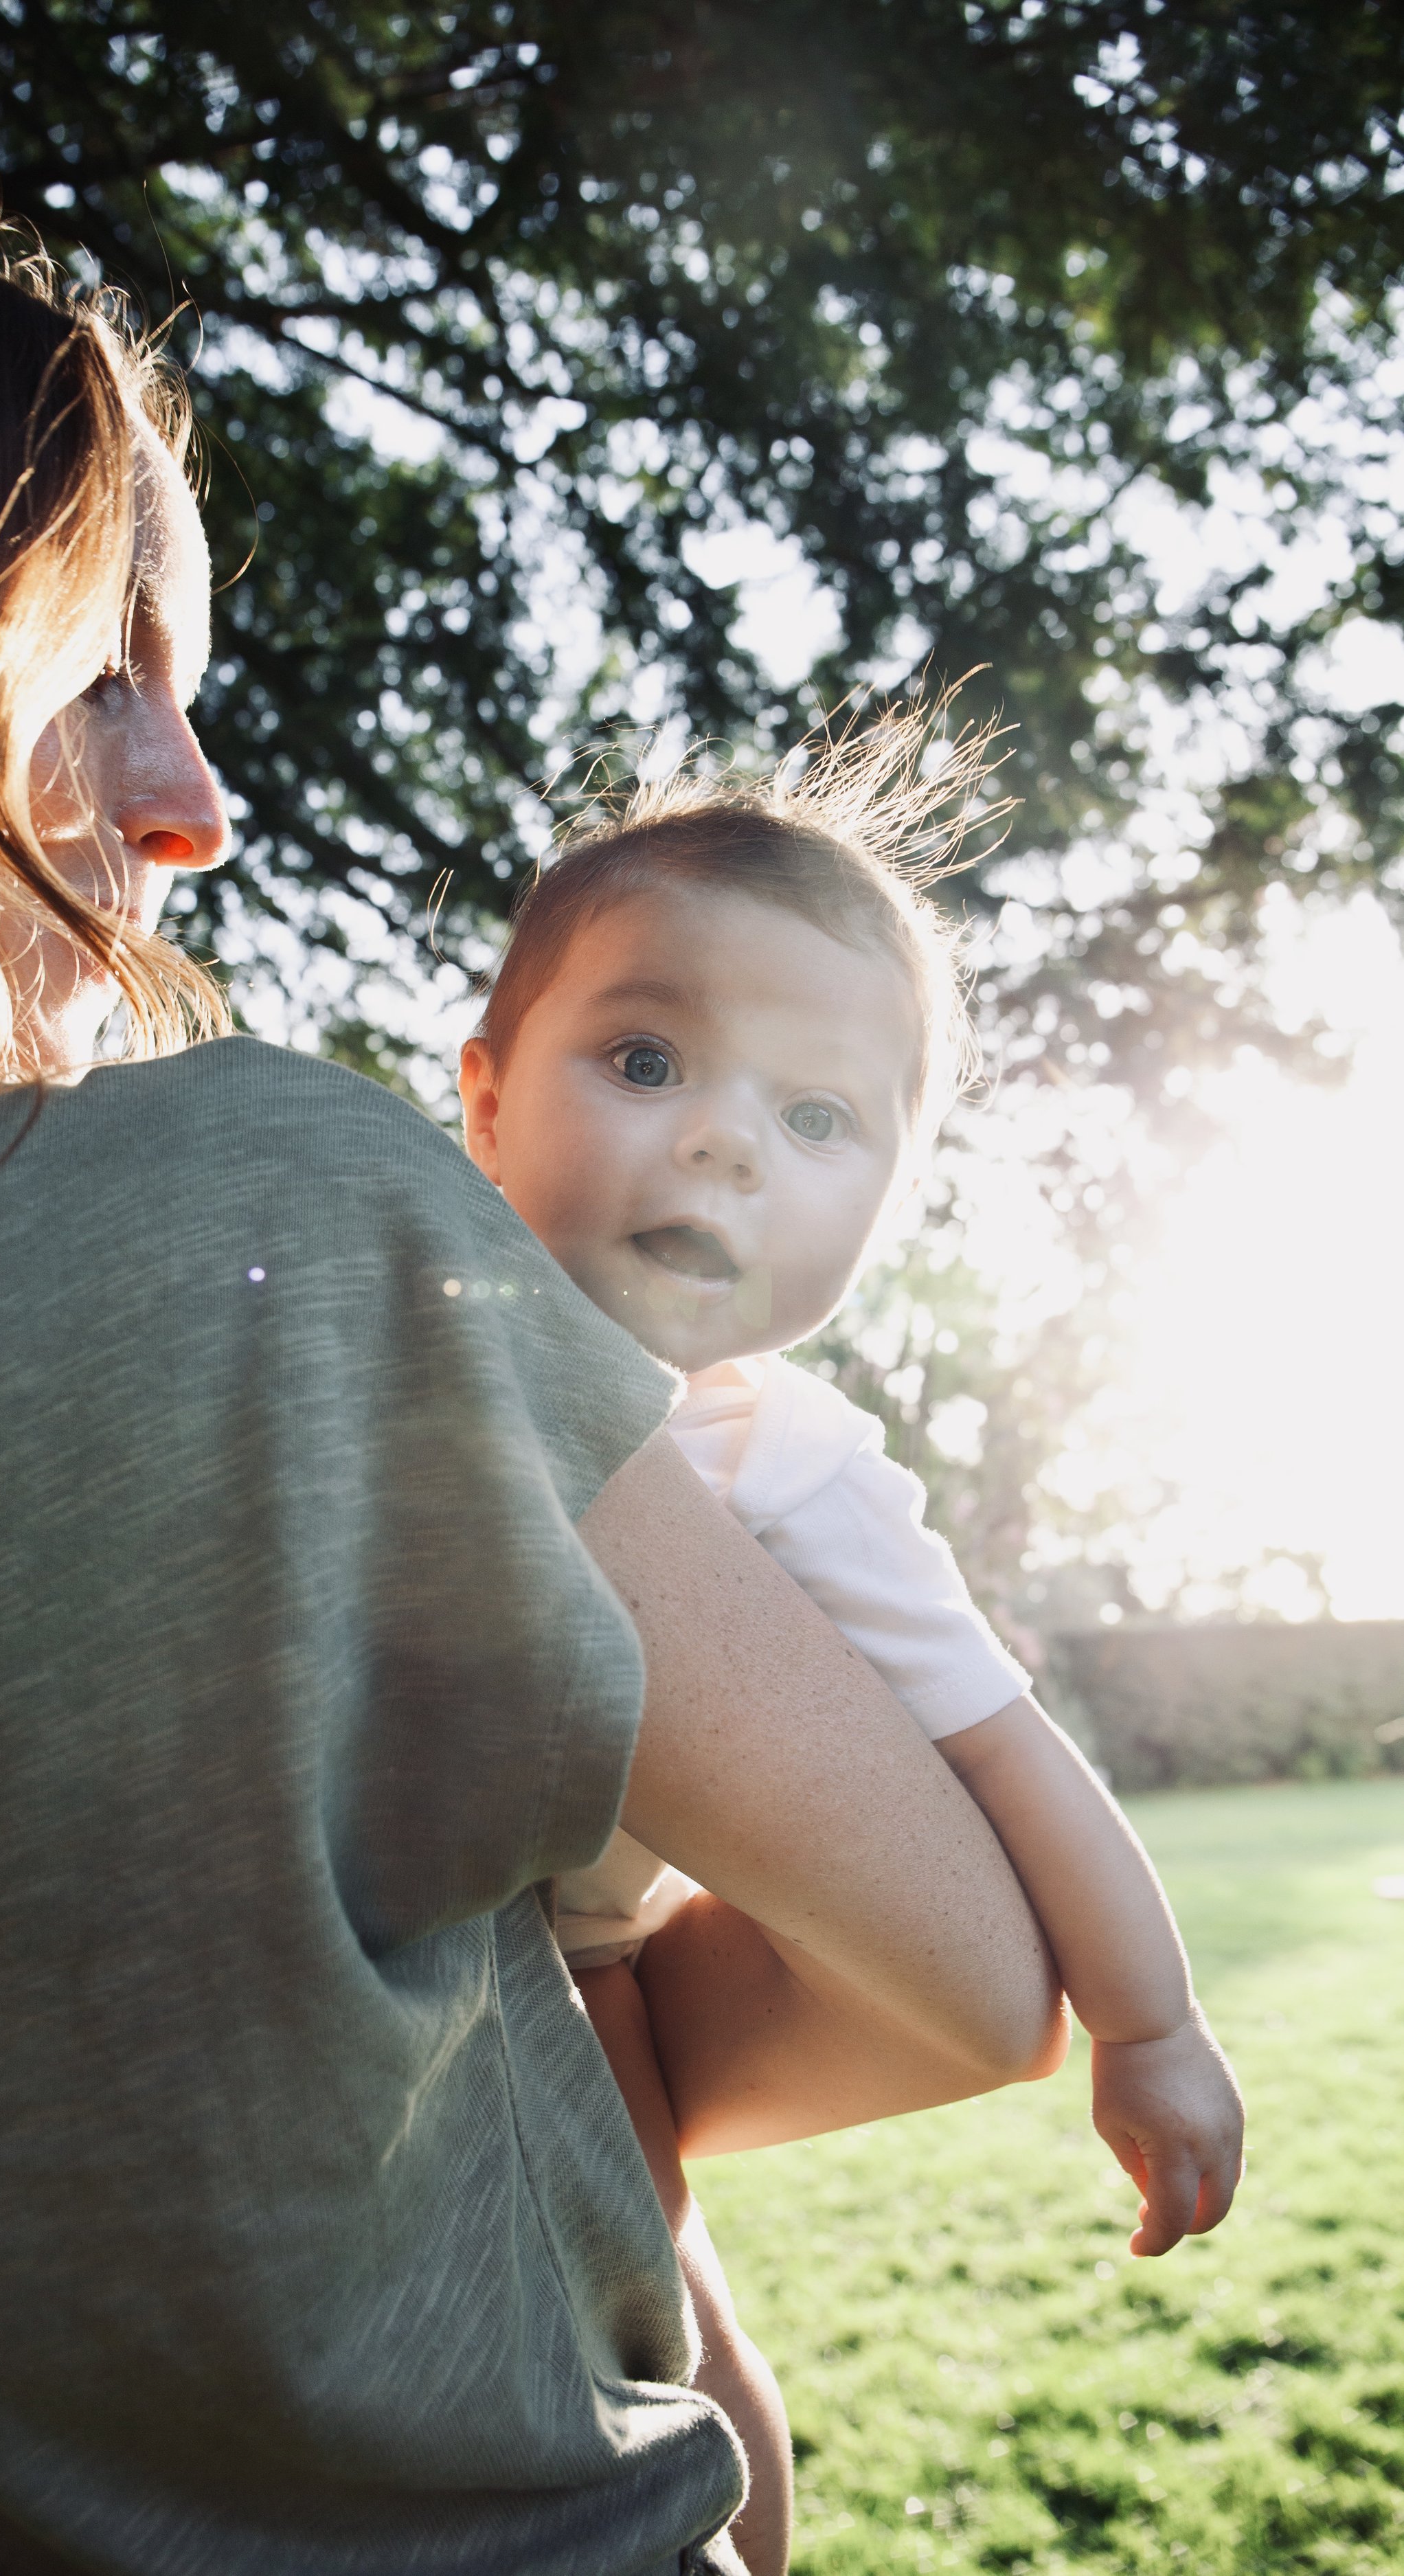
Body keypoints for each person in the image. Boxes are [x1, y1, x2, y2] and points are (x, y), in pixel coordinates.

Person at [0, 185, 1065, 2575]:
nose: (194, 800)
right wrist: (557, 2030)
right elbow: (968, 1980)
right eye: (109, 664)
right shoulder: (253, 1212)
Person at [457, 734, 1248, 2569]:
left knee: (651, 2314)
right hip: (340, 1938)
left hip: (574, 1961)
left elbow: (996, 1743)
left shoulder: (771, 1455)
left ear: (886, 1210)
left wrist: (1151, 2027)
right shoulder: (368, 1335)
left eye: (818, 1120)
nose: (725, 1137)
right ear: (485, 1101)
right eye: (644, 1061)